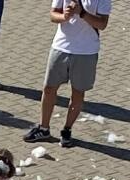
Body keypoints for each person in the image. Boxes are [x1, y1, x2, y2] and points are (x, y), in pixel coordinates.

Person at [24, 0, 112, 148]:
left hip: (86, 52)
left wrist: (81, 13)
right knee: (49, 88)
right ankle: (44, 128)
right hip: (60, 47)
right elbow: (53, 15)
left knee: (78, 93)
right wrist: (64, 16)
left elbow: (102, 24)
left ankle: (67, 130)